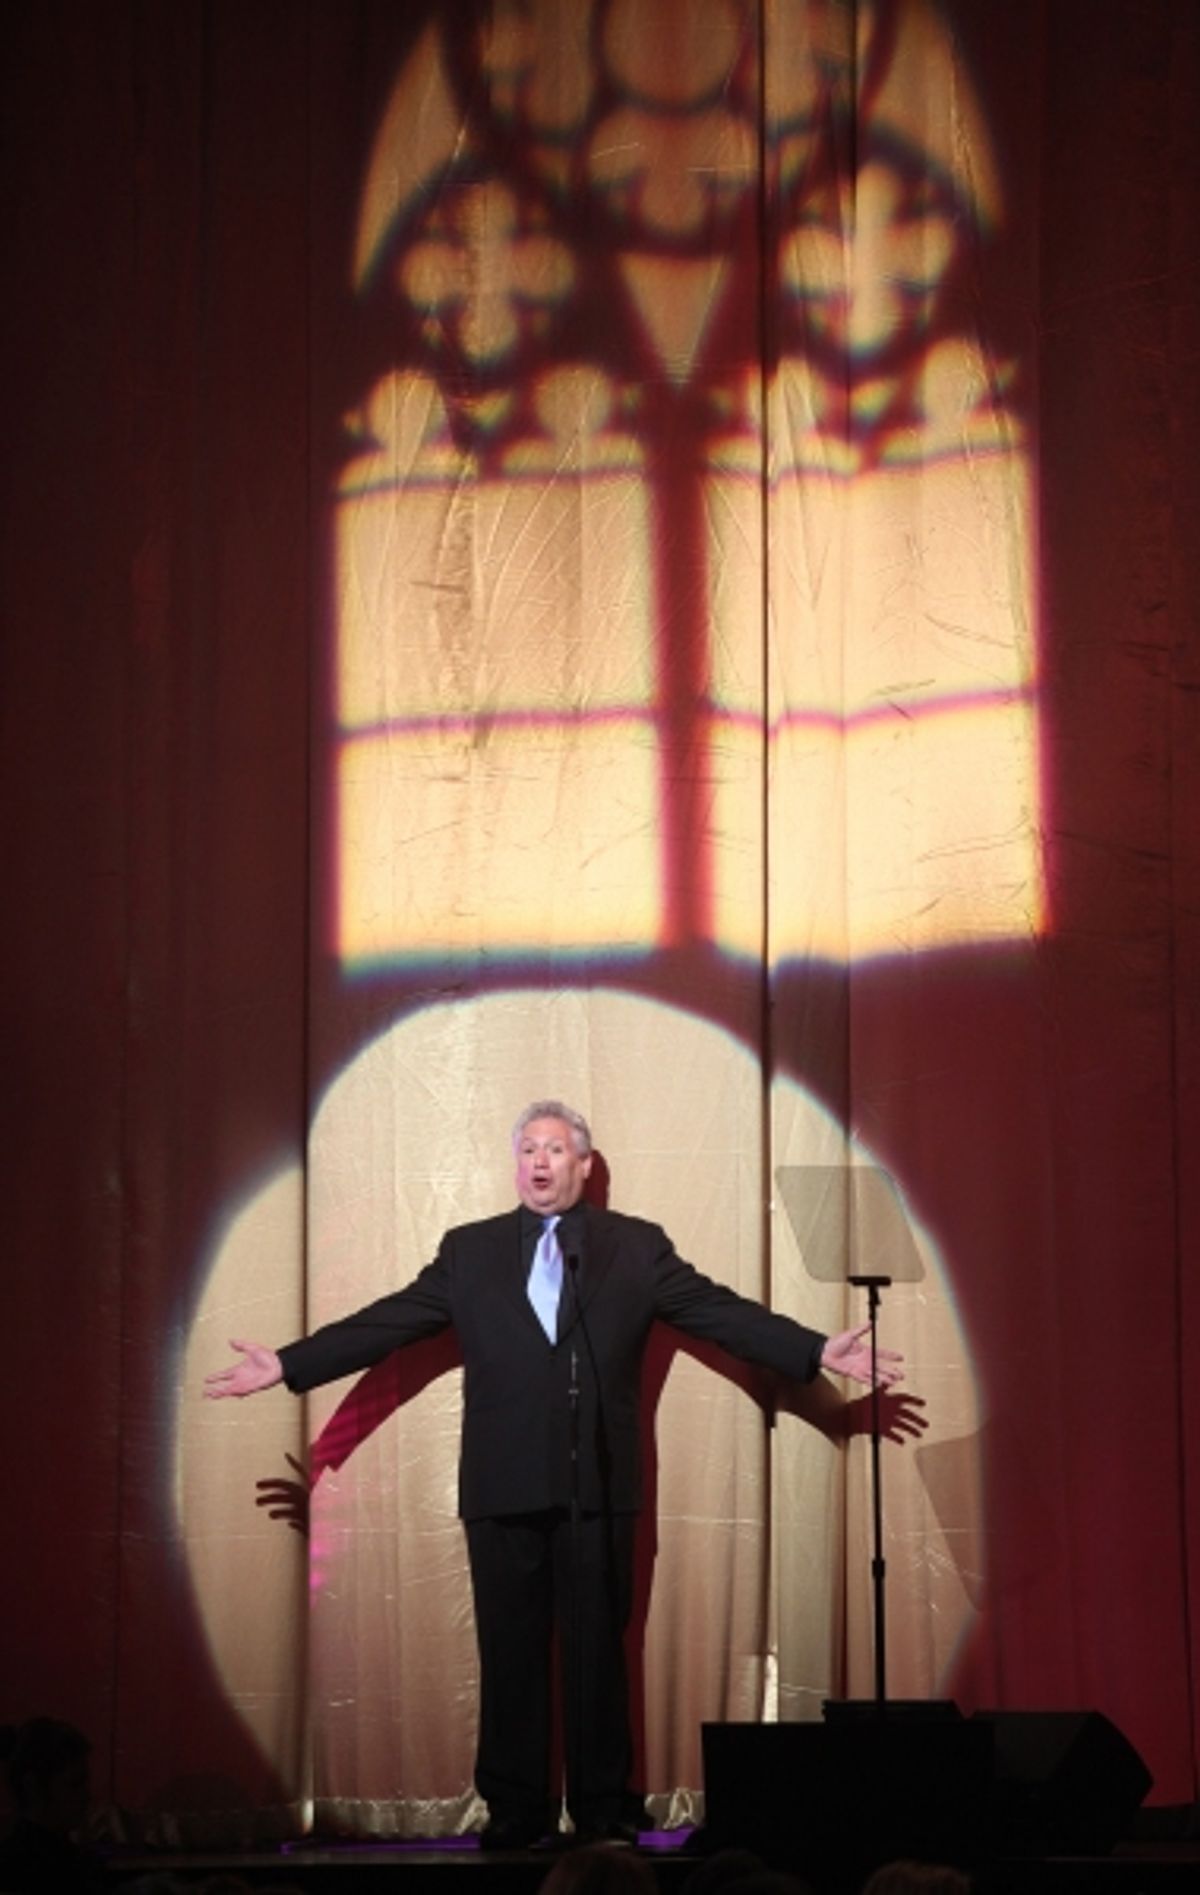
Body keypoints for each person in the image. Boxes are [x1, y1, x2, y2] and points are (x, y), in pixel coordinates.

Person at [205, 1101, 902, 1850]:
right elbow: (389, 1321)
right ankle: (516, 1809)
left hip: (598, 1485)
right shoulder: (469, 1251)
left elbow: (717, 1311)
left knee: (600, 1652)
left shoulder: (635, 1247)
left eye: (556, 1149)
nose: (539, 1161)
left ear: (584, 1164)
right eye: (528, 1149)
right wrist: (289, 1363)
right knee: (510, 1654)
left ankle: (602, 1807)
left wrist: (813, 1349)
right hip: (501, 1484)